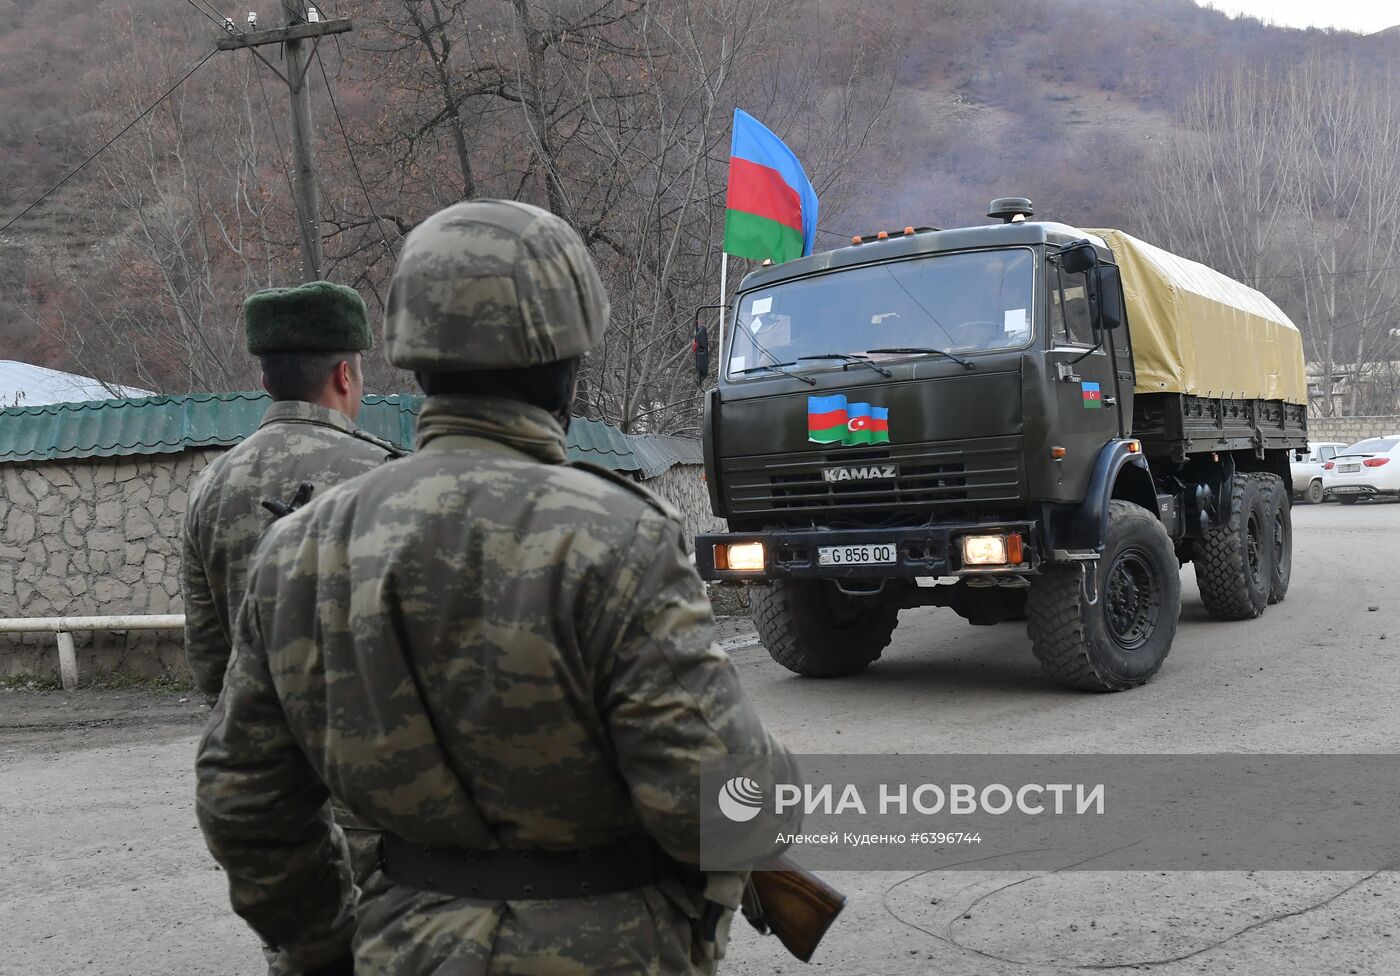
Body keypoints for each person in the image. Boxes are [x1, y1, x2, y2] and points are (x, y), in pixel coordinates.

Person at [196, 199, 795, 975]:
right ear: (571, 351)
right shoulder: (621, 533)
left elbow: (244, 800)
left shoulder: (299, 547)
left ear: (414, 351)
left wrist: (325, 946)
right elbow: (721, 803)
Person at [182, 280, 400, 975]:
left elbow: (211, 663)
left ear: (265, 374)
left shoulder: (210, 489)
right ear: (345, 373)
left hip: (274, 804)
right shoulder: (387, 478)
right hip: (383, 803)